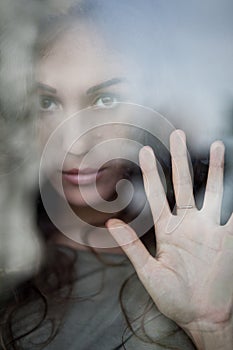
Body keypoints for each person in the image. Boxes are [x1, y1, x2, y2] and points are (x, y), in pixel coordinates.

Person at [0, 1, 232, 349]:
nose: (74, 142)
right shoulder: (11, 258)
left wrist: (213, 330)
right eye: (46, 102)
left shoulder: (202, 258)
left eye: (105, 100)